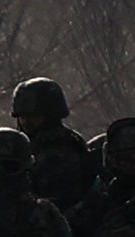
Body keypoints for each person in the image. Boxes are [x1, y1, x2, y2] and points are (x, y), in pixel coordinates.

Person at [9, 76, 100, 212]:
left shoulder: (67, 146)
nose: (26, 122)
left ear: (50, 115)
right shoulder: (20, 145)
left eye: (34, 116)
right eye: (22, 117)